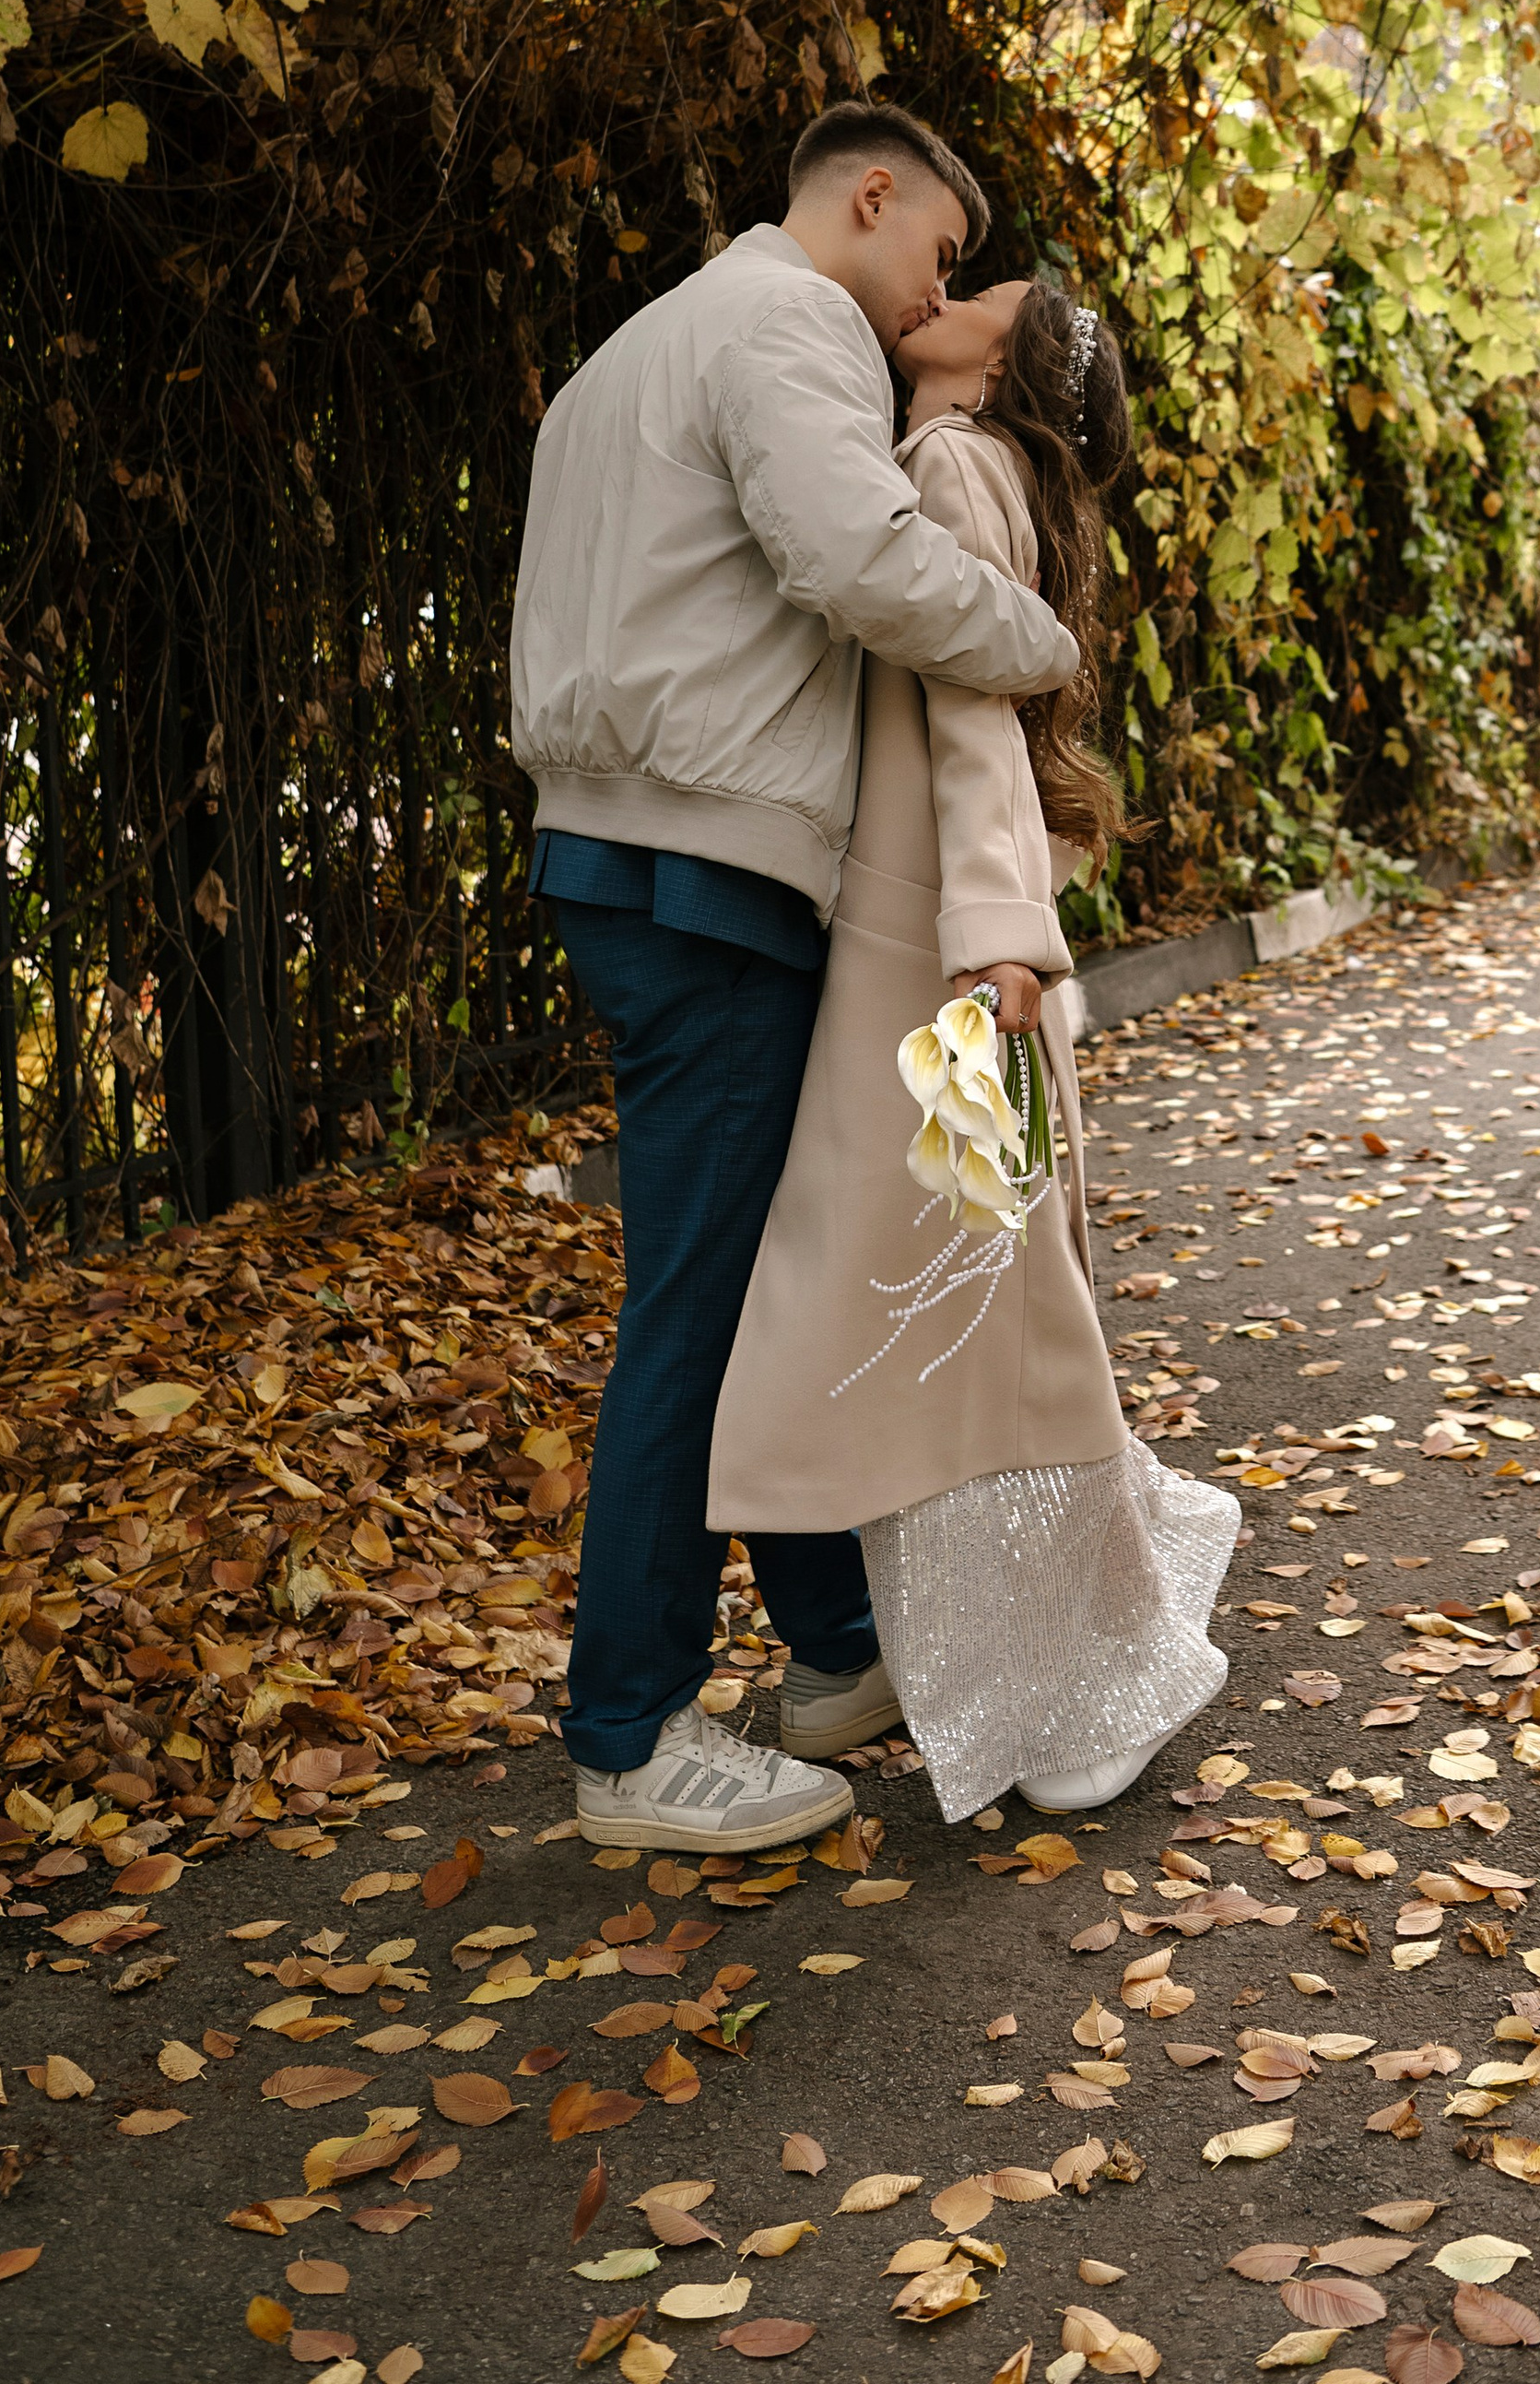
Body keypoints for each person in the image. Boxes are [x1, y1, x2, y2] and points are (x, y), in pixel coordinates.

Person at [509, 106, 1082, 1853]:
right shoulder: (791, 326)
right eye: (937, 251)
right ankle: (627, 1737)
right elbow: (863, 561)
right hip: (706, 875)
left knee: (761, 1278)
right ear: (872, 196)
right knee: (697, 1299)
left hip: (628, 850)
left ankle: (834, 1656)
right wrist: (1045, 643)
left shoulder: (637, 348)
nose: (937, 291)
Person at [709, 277, 1239, 1818]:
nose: (946, 291)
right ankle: (1051, 1669)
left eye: (985, 290)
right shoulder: (956, 461)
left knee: (976, 1306)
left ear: (1000, 358)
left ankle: (1090, 1683)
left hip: (939, 950)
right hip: (949, 936)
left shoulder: (946, 465)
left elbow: (974, 714)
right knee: (976, 1300)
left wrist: (996, 933)